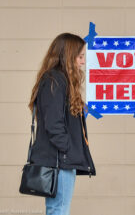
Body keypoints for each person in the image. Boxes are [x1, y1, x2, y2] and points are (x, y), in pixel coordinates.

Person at [28, 33, 96, 215]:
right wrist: (67, 149)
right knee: (58, 210)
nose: (82, 62)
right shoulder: (55, 80)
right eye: (80, 57)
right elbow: (53, 123)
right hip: (59, 161)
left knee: (58, 209)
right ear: (67, 56)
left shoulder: (58, 81)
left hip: (61, 160)